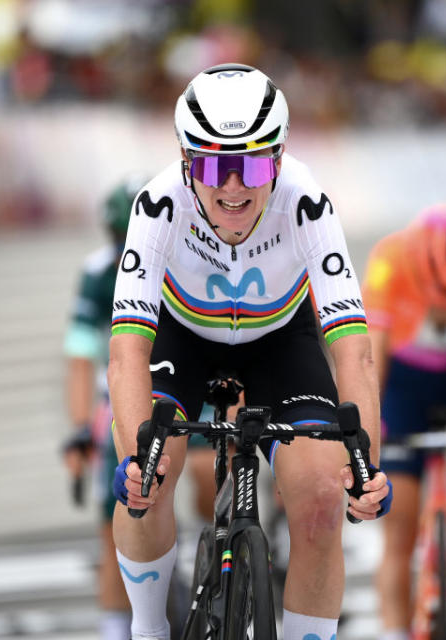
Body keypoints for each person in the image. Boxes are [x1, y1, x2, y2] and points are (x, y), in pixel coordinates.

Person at [107, 63, 392, 640]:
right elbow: (127, 350)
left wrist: (367, 466)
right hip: (180, 337)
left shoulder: (306, 201)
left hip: (279, 341)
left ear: (278, 163)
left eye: (252, 165)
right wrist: (136, 458)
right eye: (214, 166)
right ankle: (147, 628)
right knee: (152, 475)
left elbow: (353, 347)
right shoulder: (158, 204)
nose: (232, 188)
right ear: (188, 164)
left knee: (318, 498)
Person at [362, 205, 446, 640]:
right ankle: (393, 630)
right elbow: (371, 360)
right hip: (407, 382)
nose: (442, 312)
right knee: (399, 525)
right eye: (433, 300)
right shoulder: (391, 261)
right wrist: (369, 434)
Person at [62, 179, 145, 640]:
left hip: (180, 386)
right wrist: (79, 430)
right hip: (118, 395)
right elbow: (78, 356)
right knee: (112, 528)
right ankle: (115, 629)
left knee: (202, 478)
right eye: (118, 237)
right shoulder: (97, 273)